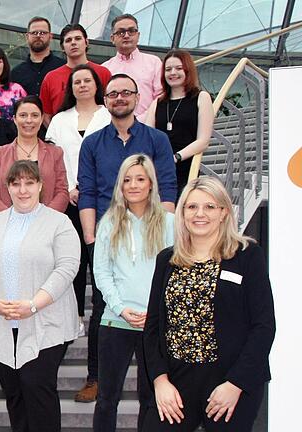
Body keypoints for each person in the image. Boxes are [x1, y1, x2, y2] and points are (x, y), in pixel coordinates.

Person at [142, 176, 275, 432]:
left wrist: (235, 383)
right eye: (191, 207)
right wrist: (160, 381)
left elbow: (264, 325)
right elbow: (153, 327)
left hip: (229, 381)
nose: (199, 214)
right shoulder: (166, 259)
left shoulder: (247, 255)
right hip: (176, 380)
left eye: (209, 207)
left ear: (224, 212)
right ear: (182, 213)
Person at [76, 74, 177, 403]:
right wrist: (91, 238)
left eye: (126, 93)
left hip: (150, 230)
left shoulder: (156, 139)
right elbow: (87, 190)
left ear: (137, 97)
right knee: (101, 310)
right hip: (108, 231)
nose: (119, 98)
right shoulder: (92, 143)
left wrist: (159, 229)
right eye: (113, 93)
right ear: (105, 100)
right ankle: (96, 376)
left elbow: (166, 185)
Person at [0, 160, 80, 432]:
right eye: (16, 183)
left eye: (29, 183)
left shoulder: (59, 222)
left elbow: (66, 268)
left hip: (45, 321)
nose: (23, 190)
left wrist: (33, 305)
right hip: (2, 321)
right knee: (15, 394)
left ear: (41, 185)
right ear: (7, 188)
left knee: (36, 389)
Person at [91, 155, 175, 432]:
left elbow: (175, 272)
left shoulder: (171, 223)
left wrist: (156, 312)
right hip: (116, 321)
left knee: (150, 398)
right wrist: (120, 307)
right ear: (120, 186)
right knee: (106, 399)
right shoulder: (108, 223)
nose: (133, 185)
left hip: (156, 324)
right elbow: (102, 273)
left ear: (151, 183)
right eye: (127, 180)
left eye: (140, 179)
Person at [45, 64, 111, 334]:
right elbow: (54, 158)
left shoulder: (109, 116)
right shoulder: (60, 119)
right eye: (76, 82)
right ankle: (75, 317)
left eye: (87, 80)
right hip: (69, 200)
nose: (82, 85)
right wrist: (70, 187)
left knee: (100, 259)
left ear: (97, 85)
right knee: (73, 261)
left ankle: (102, 312)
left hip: (103, 201)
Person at [145, 49, 214, 196]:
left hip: (187, 167)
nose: (172, 73)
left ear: (188, 70)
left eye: (178, 68)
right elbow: (147, 138)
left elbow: (203, 140)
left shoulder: (201, 97)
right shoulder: (157, 102)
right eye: (168, 69)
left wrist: (176, 157)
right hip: (160, 170)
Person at [0, 95, 68, 214]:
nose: (29, 120)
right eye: (23, 115)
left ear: (42, 118)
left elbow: (62, 192)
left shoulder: (55, 153)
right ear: (14, 119)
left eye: (34, 115)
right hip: (8, 226)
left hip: (46, 225)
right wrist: (11, 219)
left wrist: (45, 218)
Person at [39, 24, 112, 126]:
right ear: (62, 47)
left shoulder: (103, 73)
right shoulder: (51, 78)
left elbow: (111, 105)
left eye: (78, 38)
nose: (73, 43)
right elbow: (46, 114)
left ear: (86, 42)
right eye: (68, 40)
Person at [102, 14, 164, 121]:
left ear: (138, 35)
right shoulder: (105, 69)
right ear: (112, 38)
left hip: (148, 125)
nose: (126, 35)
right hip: (113, 128)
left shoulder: (154, 62)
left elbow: (161, 96)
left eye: (131, 31)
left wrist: (140, 120)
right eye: (121, 32)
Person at [10, 16, 66, 97]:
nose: (38, 36)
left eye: (42, 33)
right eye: (34, 33)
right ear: (27, 36)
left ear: (50, 36)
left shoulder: (63, 67)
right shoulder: (15, 73)